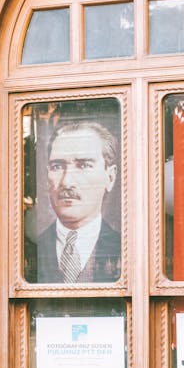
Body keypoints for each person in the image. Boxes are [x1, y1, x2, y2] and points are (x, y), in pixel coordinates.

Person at [25, 118, 121, 283]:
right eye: (57, 166)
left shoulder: (126, 250)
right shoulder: (28, 251)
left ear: (110, 177)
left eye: (83, 165)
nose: (67, 181)